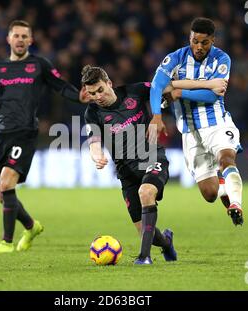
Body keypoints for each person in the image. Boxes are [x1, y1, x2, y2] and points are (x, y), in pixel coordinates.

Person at [0, 20, 88, 253]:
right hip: (0, 133)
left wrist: (80, 97)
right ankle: (31, 226)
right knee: (2, 194)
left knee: (6, 182)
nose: (20, 40)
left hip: (24, 132)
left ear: (31, 40)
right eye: (16, 35)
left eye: (25, 36)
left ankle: (6, 242)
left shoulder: (39, 65)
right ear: (8, 39)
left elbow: (60, 85)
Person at [149, 17, 244, 226]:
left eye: (204, 42)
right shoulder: (175, 58)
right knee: (210, 194)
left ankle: (236, 204)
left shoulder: (222, 59)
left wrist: (177, 91)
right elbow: (156, 86)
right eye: (195, 41)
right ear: (190, 38)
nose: (198, 47)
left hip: (216, 123)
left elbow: (212, 96)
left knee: (226, 158)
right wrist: (157, 116)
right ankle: (222, 182)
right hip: (189, 132)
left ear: (213, 40)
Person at [81, 65, 177, 265]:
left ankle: (144, 257)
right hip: (126, 172)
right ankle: (166, 243)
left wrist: (193, 87)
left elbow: (164, 87)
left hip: (152, 157)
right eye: (92, 94)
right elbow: (94, 141)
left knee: (146, 193)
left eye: (100, 90)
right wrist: (96, 156)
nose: (98, 96)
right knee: (144, 231)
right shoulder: (92, 113)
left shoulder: (134, 91)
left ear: (109, 83)